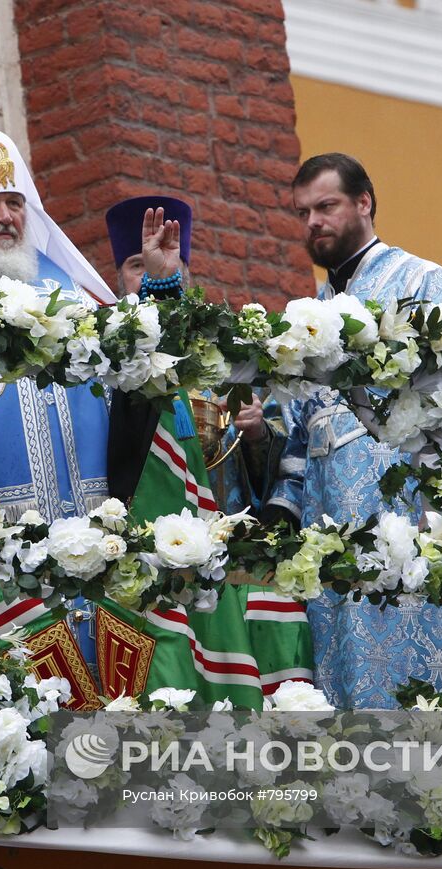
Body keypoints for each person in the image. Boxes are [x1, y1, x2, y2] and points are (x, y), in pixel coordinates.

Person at [0, 126, 184, 706]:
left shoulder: (79, 297)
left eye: (14, 202)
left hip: (101, 563)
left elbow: (144, 376)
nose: (4, 217)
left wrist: (159, 289)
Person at [251, 153, 442, 708]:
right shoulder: (308, 315)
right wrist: (260, 432)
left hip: (404, 516)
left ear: (364, 202)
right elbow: (298, 439)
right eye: (303, 213)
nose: (314, 223)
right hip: (329, 525)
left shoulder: (424, 283)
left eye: (326, 207)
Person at [100, 195, 315, 707]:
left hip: (228, 557)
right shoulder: (106, 363)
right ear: (120, 280)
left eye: (169, 264)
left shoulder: (224, 360)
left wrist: (258, 436)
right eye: (136, 265)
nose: (150, 270)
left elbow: (278, 469)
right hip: (147, 561)